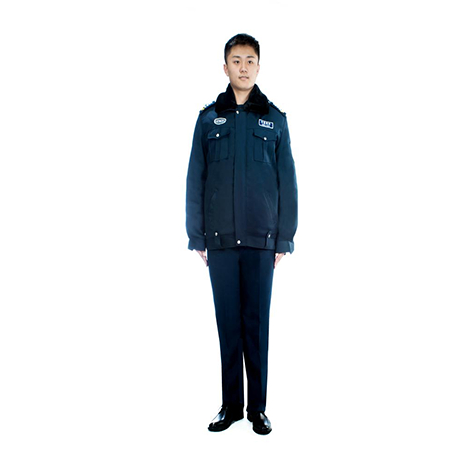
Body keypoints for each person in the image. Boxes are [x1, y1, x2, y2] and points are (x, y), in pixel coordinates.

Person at [185, 33, 298, 435]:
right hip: (219, 241)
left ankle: (258, 409)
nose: (244, 67)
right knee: (228, 325)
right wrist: (197, 235)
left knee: (256, 326)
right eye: (236, 60)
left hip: (261, 242)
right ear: (225, 67)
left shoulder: (275, 119)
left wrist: (284, 238)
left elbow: (287, 181)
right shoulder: (208, 119)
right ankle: (230, 406)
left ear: (259, 67)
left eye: (250, 60)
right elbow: (196, 178)